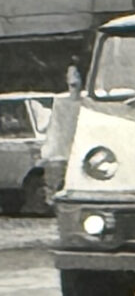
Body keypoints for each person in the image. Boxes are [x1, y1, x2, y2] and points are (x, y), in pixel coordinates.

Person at [40, 61, 84, 204]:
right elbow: (55, 129)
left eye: (76, 74)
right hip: (63, 151)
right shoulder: (60, 103)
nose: (74, 78)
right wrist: (51, 152)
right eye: (70, 75)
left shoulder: (86, 102)